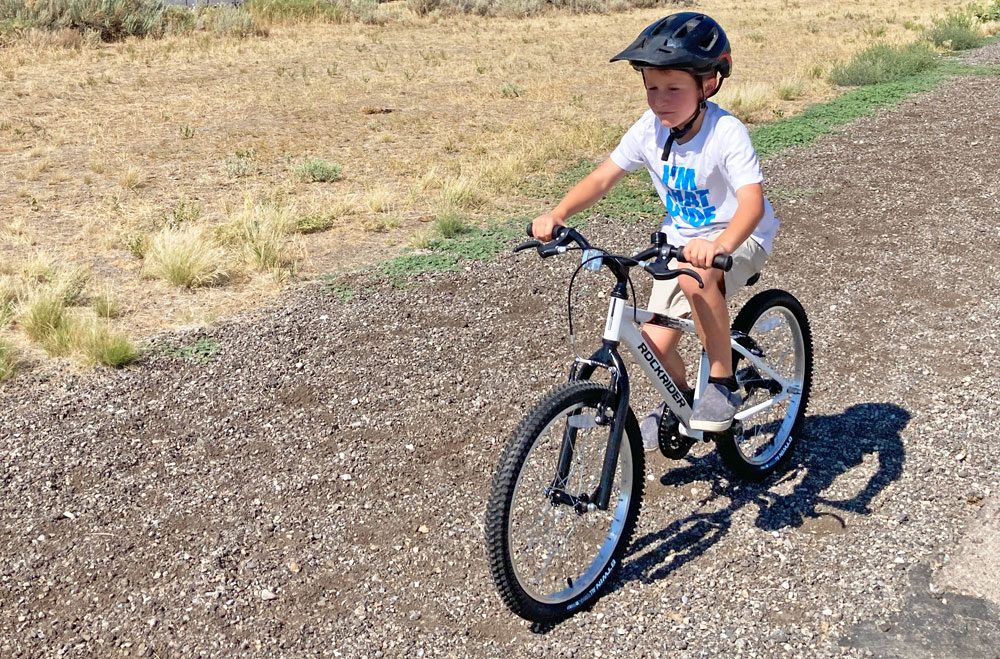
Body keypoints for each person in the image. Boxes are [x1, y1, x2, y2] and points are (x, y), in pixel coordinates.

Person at [529, 12, 779, 451]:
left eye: (673, 89)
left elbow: (752, 204)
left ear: (708, 85)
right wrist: (559, 213)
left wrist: (719, 245)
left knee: (697, 277)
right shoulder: (649, 131)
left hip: (739, 236)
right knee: (653, 347)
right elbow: (603, 178)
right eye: (651, 89)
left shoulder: (725, 132)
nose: (660, 101)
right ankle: (680, 404)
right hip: (681, 243)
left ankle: (721, 383)